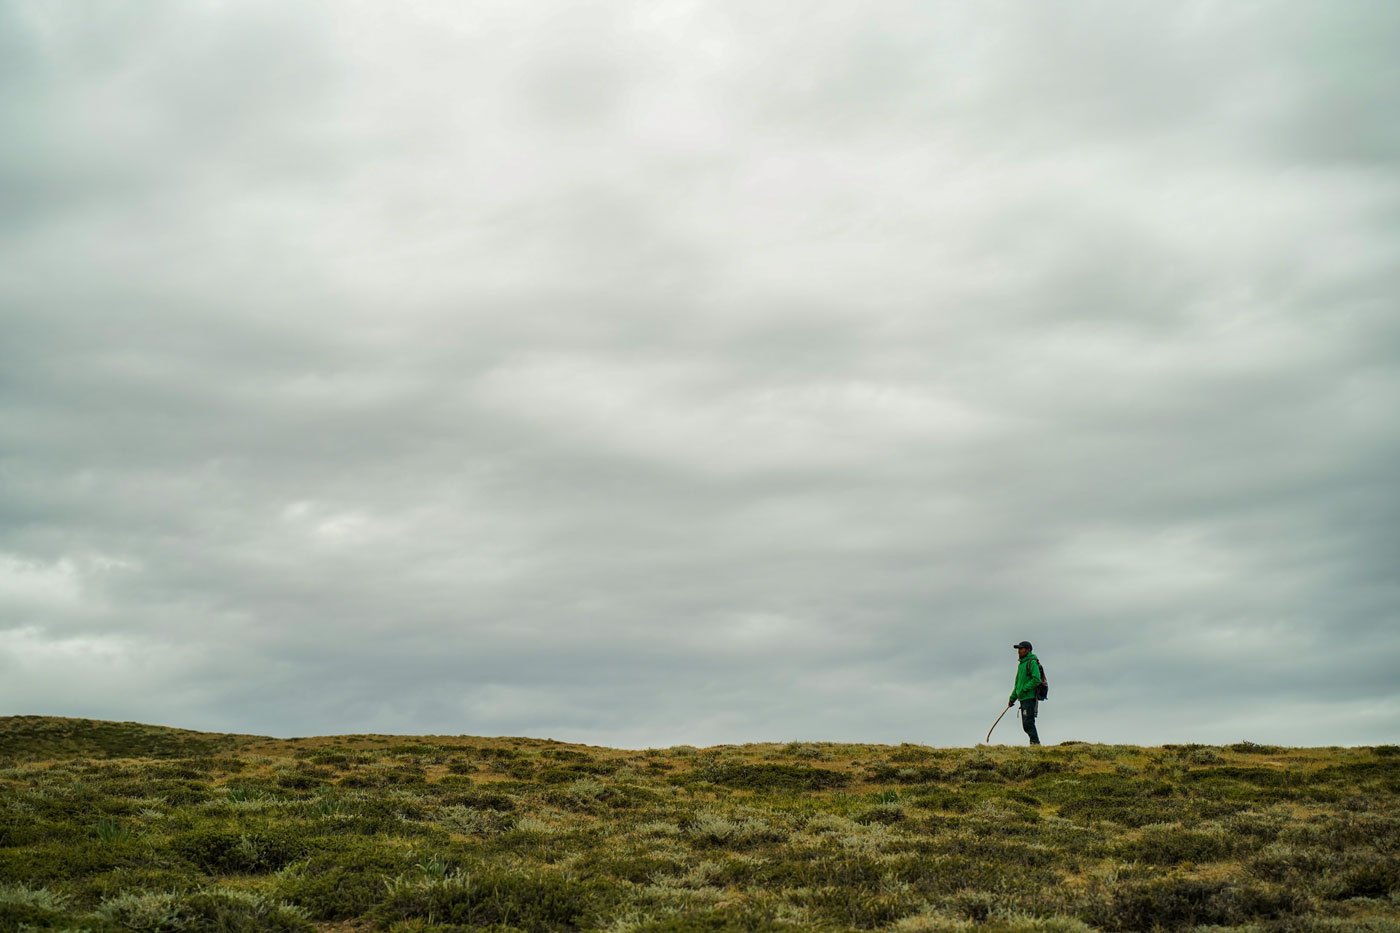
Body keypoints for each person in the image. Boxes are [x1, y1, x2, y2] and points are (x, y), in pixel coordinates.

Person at [1007, 640, 1043, 745]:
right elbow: (1017, 684)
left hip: (1029, 697)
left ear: (1028, 650)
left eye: (1021, 649)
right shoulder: (1021, 665)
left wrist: (1024, 689)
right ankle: (1034, 743)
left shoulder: (1032, 662)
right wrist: (1012, 698)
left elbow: (1037, 679)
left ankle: (1035, 743)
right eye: (1018, 649)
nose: (1019, 651)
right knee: (1026, 724)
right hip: (1023, 698)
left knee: (1028, 723)